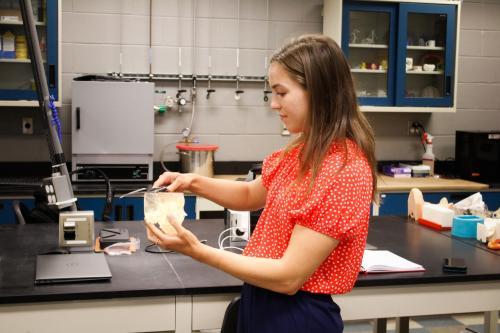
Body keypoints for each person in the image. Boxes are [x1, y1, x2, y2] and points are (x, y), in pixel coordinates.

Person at [145, 34, 377, 333]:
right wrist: (191, 182)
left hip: (298, 317)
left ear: (319, 92)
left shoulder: (343, 170)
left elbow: (288, 278)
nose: (274, 105)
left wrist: (197, 251)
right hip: (262, 302)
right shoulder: (300, 152)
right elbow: (251, 194)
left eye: (281, 93)